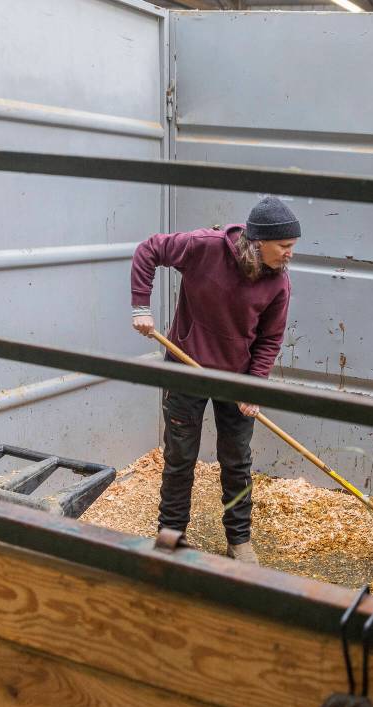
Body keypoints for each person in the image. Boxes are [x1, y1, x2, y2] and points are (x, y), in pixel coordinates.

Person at [129, 196, 298, 563]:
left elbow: (270, 339)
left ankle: (239, 540)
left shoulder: (278, 284)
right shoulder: (204, 248)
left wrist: (254, 383)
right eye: (284, 246)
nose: (289, 255)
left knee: (237, 461)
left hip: (236, 378)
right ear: (260, 240)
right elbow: (149, 249)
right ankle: (171, 535)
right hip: (186, 367)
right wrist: (141, 305)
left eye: (292, 247)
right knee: (180, 458)